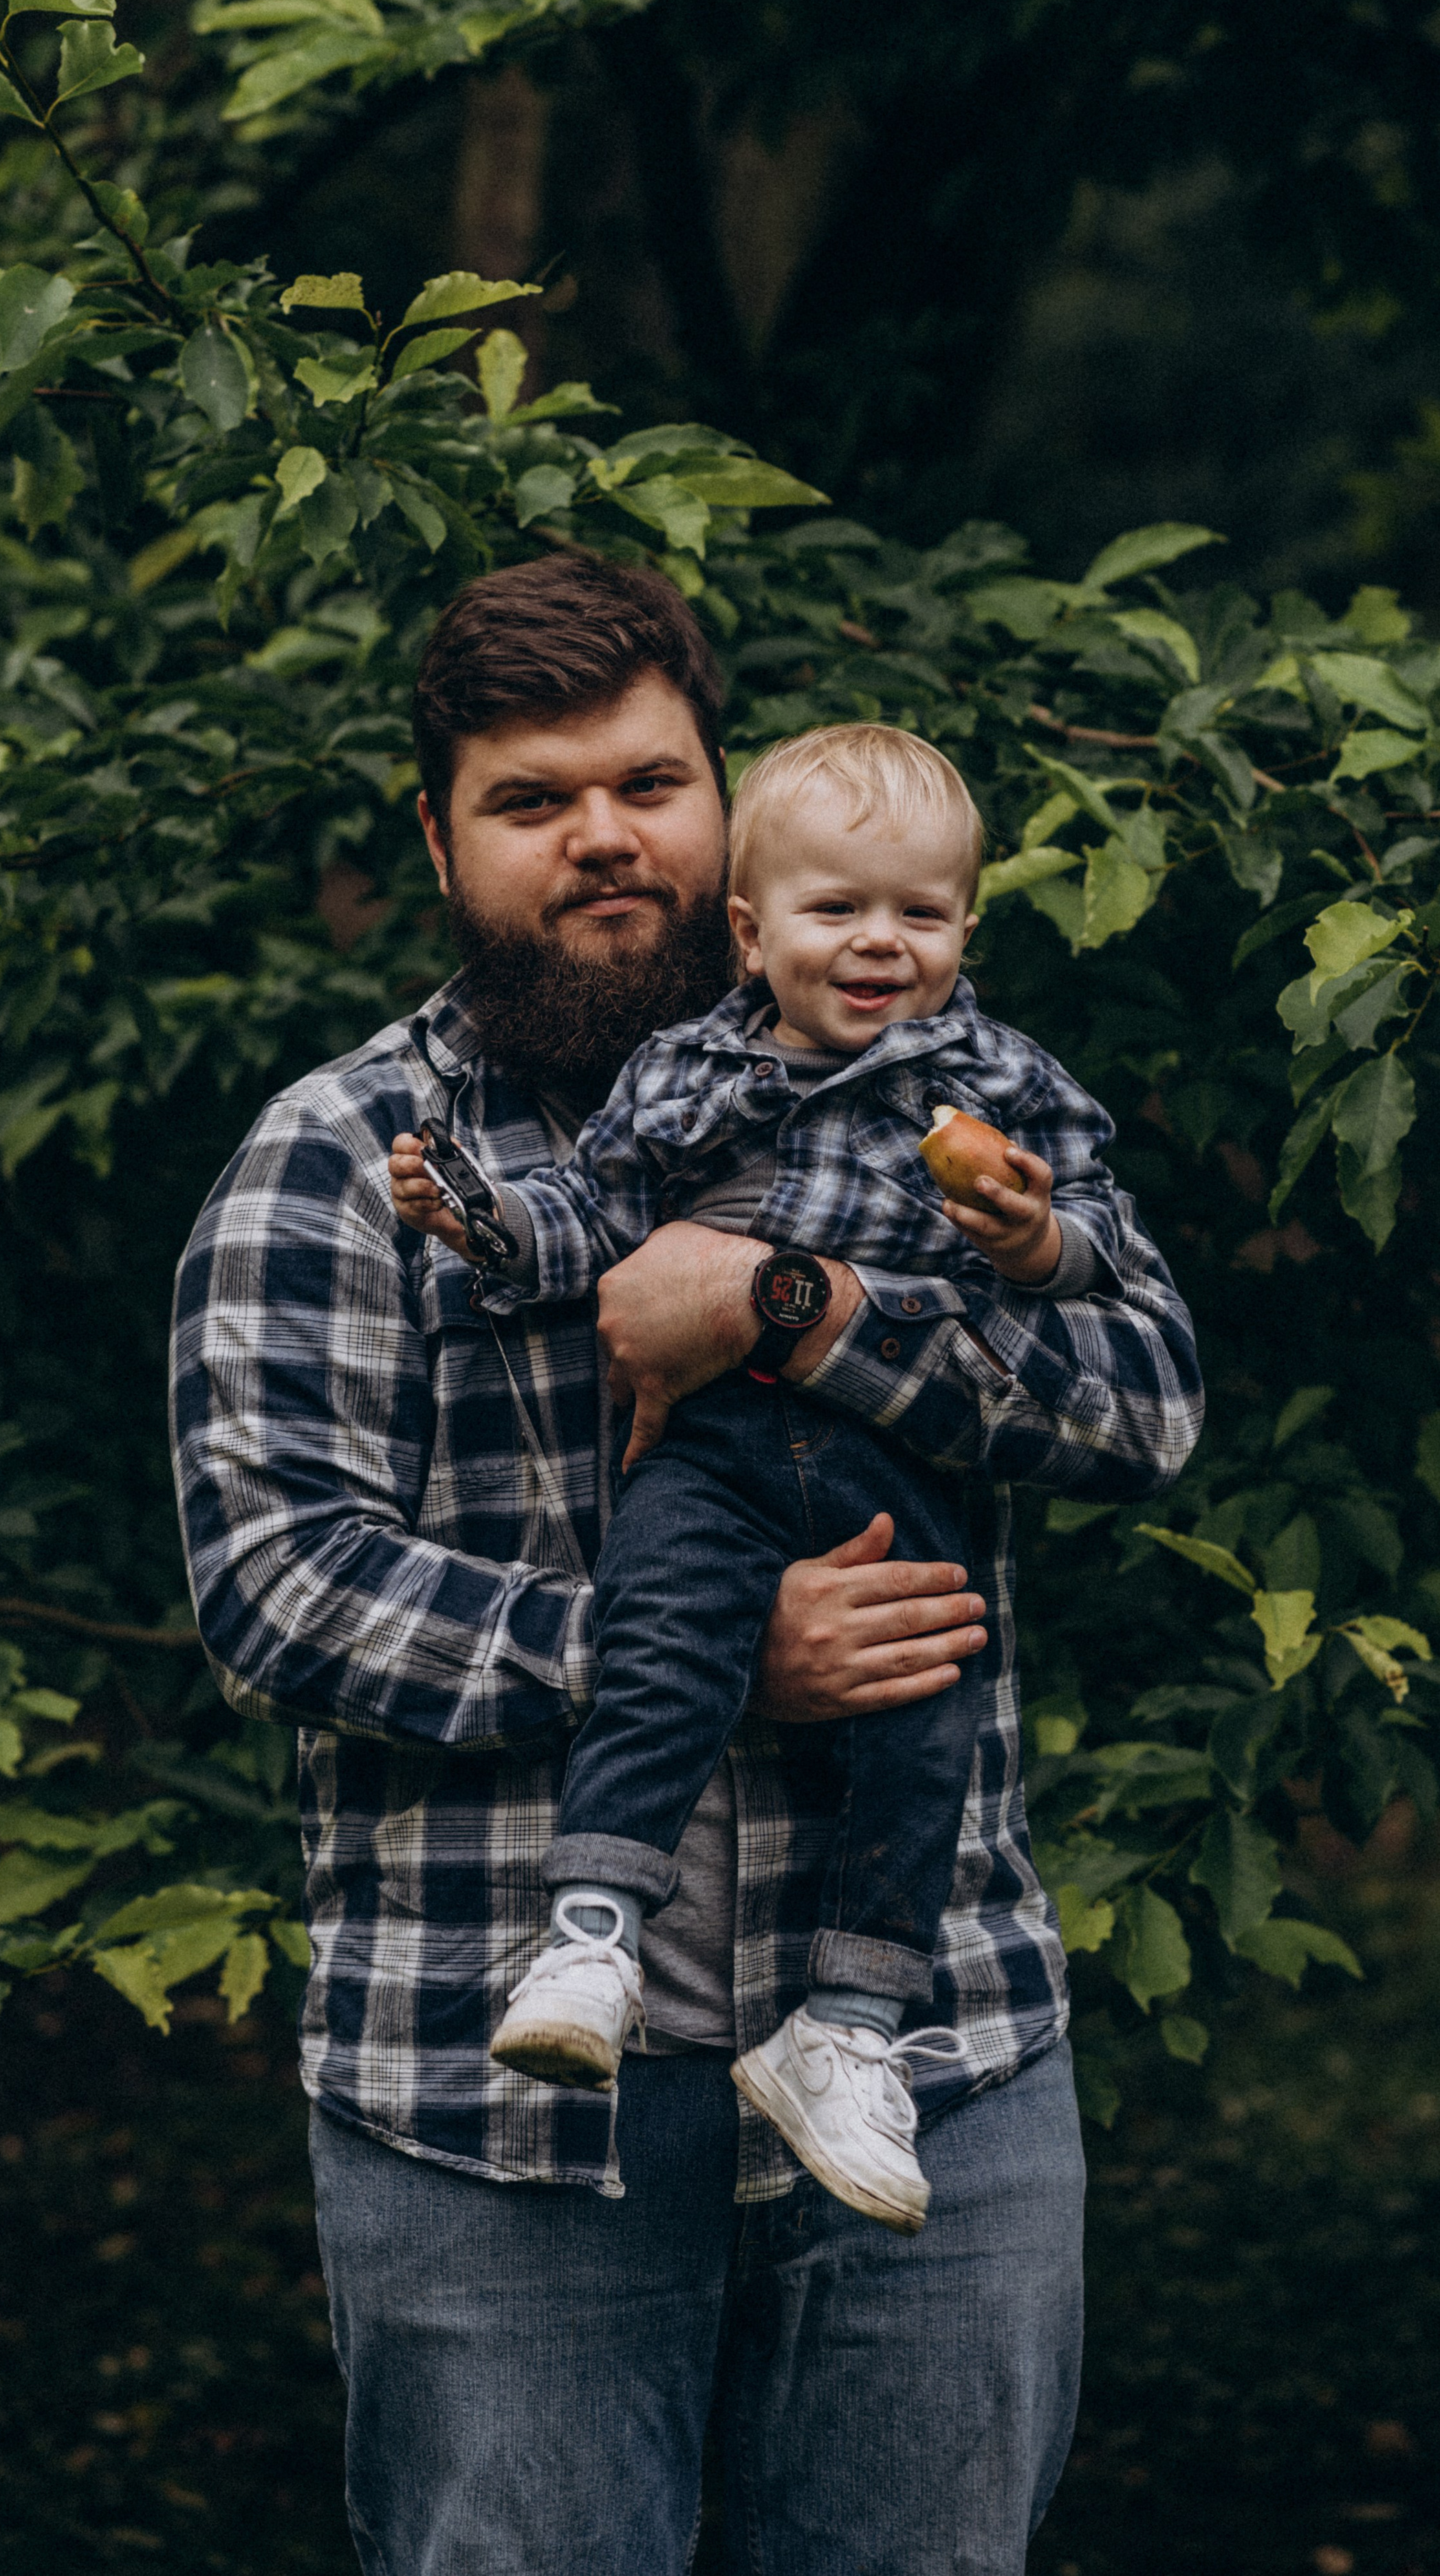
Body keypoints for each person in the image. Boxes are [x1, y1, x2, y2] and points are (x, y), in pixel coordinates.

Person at [168, 551, 1203, 2576]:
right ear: (440, 833)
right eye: (531, 800)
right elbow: (280, 1581)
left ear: (724, 802)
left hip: (940, 2064)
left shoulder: (957, 1100)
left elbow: (1142, 1403)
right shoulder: (343, 1158)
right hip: (501, 2102)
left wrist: (798, 1307)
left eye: (644, 781)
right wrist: (718, 1655)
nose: (600, 839)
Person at [386, 722, 1130, 2238]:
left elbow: (1105, 1284)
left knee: (923, 1739)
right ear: (752, 928)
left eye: (918, 916)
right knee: (658, 1650)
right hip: (708, 1457)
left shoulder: (1003, 1083)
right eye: (836, 912)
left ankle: (845, 2029)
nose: (879, 944)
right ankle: (589, 1934)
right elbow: (584, 1218)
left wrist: (1030, 1237)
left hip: (884, 1469)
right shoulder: (685, 1071)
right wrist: (475, 1219)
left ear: (965, 928)